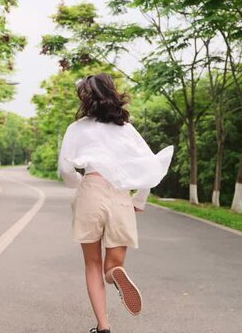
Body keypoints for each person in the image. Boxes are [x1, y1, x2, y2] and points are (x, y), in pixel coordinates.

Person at [57, 73, 174, 333]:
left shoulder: (76, 128)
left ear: (85, 98)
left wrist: (80, 186)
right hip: (120, 195)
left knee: (92, 264)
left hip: (91, 191)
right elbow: (149, 167)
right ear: (113, 94)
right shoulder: (126, 129)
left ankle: (103, 326)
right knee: (113, 266)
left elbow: (66, 169)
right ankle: (116, 277)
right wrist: (139, 200)